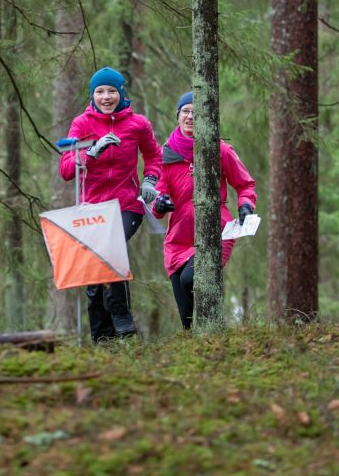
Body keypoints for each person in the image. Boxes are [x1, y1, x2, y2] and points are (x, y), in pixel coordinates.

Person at [59, 66, 162, 342]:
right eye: (100, 92)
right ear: (93, 95)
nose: (106, 97)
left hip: (126, 205)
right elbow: (66, 169)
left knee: (111, 243)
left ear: (121, 93)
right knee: (94, 271)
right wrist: (91, 152)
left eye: (112, 91)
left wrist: (150, 181)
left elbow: (155, 156)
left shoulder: (138, 124)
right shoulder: (82, 124)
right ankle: (102, 336)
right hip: (91, 208)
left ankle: (123, 321)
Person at [153, 91, 257, 330]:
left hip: (217, 232)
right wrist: (158, 203)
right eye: (186, 111)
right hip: (178, 239)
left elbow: (245, 184)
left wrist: (246, 205)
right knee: (185, 314)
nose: (190, 117)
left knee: (192, 278)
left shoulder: (219, 150)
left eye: (196, 112)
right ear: (177, 115)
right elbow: (157, 197)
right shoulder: (166, 154)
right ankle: (199, 350)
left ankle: (215, 329)